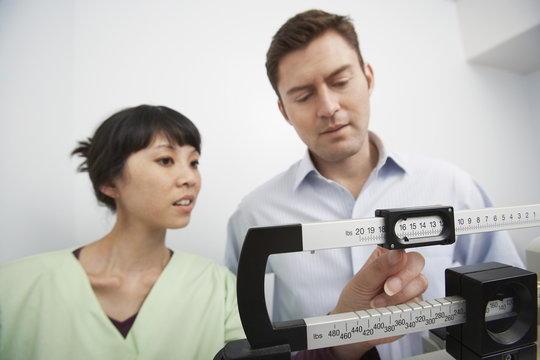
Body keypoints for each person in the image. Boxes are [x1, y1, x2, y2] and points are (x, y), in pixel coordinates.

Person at [0, 104, 425, 359]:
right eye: (166, 161)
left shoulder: (220, 287)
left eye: (194, 161)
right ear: (109, 182)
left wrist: (341, 333)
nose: (190, 178)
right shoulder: (16, 287)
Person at [224, 9, 524, 360]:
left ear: (368, 77)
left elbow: (514, 306)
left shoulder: (454, 186)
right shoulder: (253, 216)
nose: (329, 107)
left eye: (340, 81)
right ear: (283, 110)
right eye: (303, 96)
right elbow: (241, 339)